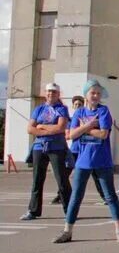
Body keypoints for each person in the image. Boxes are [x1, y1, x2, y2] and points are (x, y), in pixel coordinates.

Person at [53, 79, 119, 244]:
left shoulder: (103, 111)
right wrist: (89, 126)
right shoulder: (79, 112)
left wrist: (84, 129)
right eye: (92, 93)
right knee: (76, 196)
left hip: (102, 161)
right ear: (86, 94)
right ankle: (67, 230)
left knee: (110, 196)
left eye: (98, 93)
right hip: (82, 161)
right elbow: (71, 135)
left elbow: (103, 134)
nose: (95, 96)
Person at [21, 83, 72, 220]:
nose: (51, 94)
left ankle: (69, 210)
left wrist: (42, 126)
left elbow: (61, 128)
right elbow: (30, 129)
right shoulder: (39, 109)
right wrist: (46, 131)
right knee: (37, 179)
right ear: (45, 93)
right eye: (49, 91)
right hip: (39, 147)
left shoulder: (62, 109)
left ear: (58, 94)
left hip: (57, 147)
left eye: (54, 92)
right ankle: (33, 210)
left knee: (61, 179)